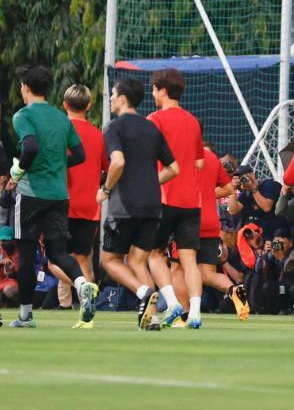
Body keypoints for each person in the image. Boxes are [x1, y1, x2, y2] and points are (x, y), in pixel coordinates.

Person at [9, 65, 97, 329]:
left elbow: (31, 145)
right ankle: (83, 285)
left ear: (25, 88)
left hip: (31, 193)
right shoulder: (62, 118)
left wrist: (19, 168)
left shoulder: (23, 115)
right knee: (58, 252)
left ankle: (25, 315)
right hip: (59, 195)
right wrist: (56, 165)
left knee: (25, 252)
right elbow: (80, 155)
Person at [98, 77, 180, 330]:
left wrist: (106, 189)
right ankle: (152, 317)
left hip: (125, 206)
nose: (110, 99)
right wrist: (150, 183)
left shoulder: (114, 127)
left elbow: (118, 162)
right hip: (153, 206)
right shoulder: (151, 127)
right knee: (137, 261)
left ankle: (143, 292)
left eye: (112, 95)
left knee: (109, 260)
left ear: (122, 99)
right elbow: (174, 168)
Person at [146, 68, 205, 328]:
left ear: (163, 90)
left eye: (154, 89)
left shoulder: (155, 119)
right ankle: (195, 312)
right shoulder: (193, 121)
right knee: (189, 259)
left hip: (163, 196)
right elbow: (200, 162)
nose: (152, 94)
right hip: (191, 200)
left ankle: (172, 303)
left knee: (153, 253)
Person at [197, 140, 248, 320]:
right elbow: (227, 190)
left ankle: (186, 313)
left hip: (192, 223)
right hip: (212, 226)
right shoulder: (215, 169)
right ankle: (235, 290)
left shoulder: (190, 163)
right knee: (207, 275)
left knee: (180, 269)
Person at [63, 85, 107, 286]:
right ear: (89, 105)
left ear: (64, 105)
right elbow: (108, 168)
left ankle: (82, 288)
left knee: (56, 257)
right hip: (90, 207)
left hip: (62, 203)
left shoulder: (60, 130)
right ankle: (89, 311)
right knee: (82, 259)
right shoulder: (98, 135)